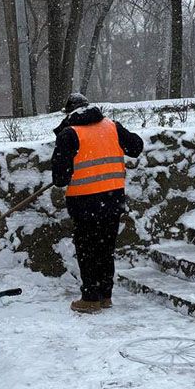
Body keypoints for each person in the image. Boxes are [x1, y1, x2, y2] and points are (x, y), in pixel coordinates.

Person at [51, 93, 144, 314]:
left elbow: (59, 179)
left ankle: (90, 298)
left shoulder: (69, 134)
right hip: (112, 200)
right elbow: (136, 147)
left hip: (84, 203)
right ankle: (105, 295)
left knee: (87, 250)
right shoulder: (112, 126)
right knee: (105, 248)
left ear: (69, 113)